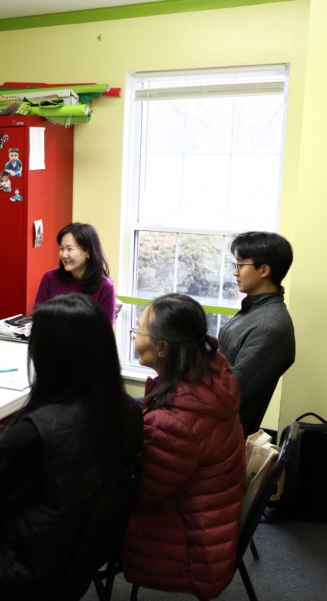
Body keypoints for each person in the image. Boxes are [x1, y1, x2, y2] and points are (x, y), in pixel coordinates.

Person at [0, 294, 143, 600]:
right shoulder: (128, 410)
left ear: (48, 354)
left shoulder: (37, 433)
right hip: (65, 562)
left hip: (13, 568)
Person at [123, 293, 245, 599]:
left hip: (189, 549)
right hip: (208, 524)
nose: (134, 336)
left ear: (162, 347)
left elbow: (141, 495)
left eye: (138, 330)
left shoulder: (177, 421)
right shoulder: (209, 377)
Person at [218, 231, 295, 435]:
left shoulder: (269, 326)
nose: (235, 273)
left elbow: (230, 391)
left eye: (240, 265)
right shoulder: (254, 310)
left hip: (219, 433)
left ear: (264, 270)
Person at [33, 222, 116, 323]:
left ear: (88, 252)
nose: (64, 255)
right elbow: (38, 320)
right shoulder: (50, 278)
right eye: (62, 248)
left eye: (69, 249)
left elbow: (104, 331)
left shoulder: (106, 287)